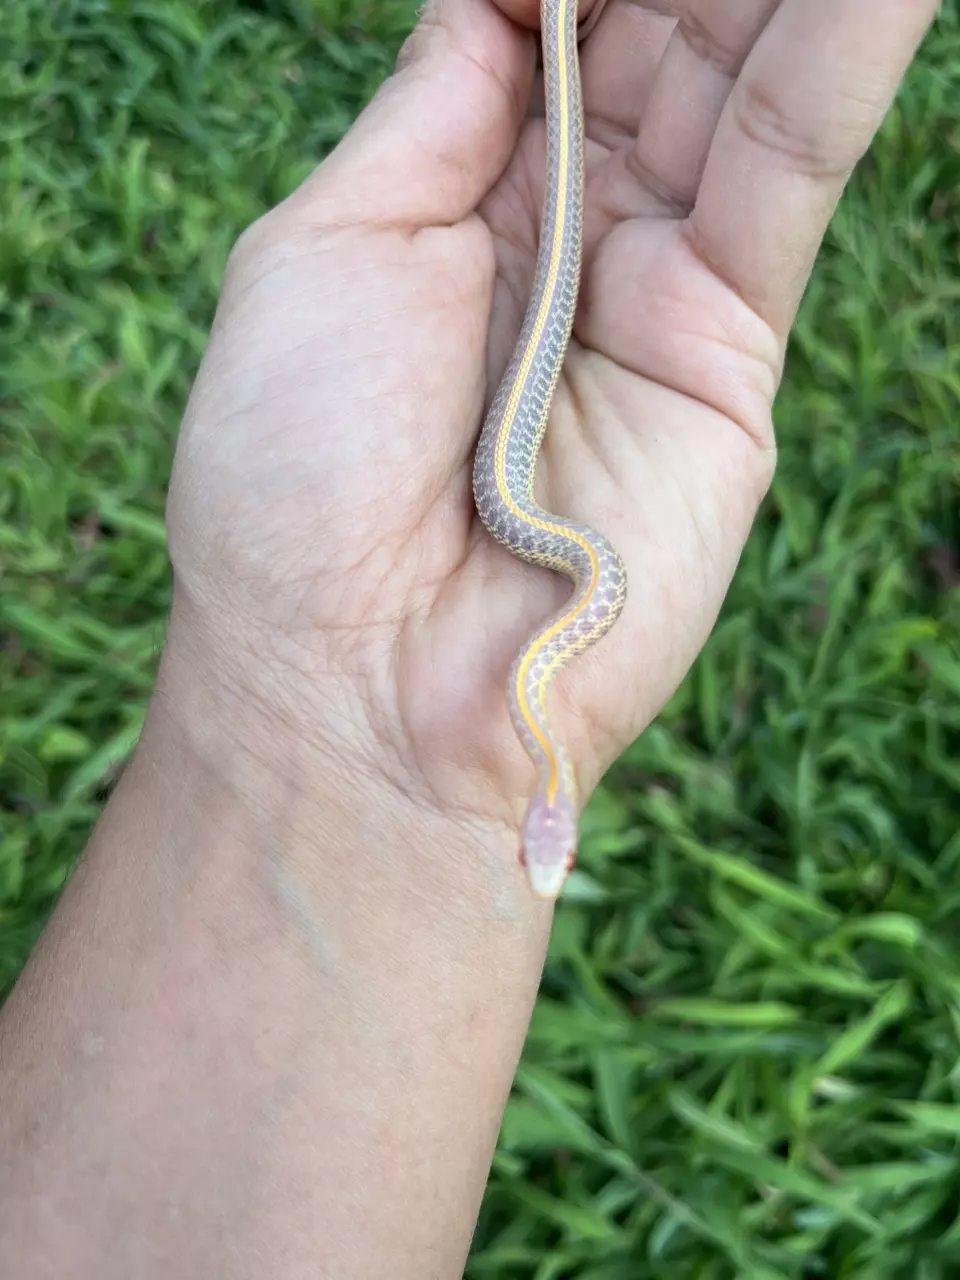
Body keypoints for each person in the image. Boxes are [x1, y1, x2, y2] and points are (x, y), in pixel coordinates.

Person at [0, 0, 938, 1273]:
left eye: (540, 847)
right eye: (543, 845)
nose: (542, 852)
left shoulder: (555, 622)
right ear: (550, 815)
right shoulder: (557, 610)